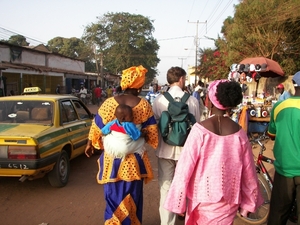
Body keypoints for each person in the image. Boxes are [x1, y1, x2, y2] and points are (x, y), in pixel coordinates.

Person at [163, 79, 263, 224]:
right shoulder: (239, 133)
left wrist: (178, 202)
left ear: (209, 100)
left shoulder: (200, 130)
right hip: (229, 198)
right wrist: (249, 201)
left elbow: (184, 169)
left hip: (201, 197)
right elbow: (249, 171)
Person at [84, 65, 158, 224]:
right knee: (133, 195)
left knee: (112, 196)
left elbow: (96, 127)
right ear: (138, 87)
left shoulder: (108, 103)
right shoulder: (143, 105)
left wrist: (90, 144)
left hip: (112, 161)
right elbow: (152, 132)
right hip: (134, 162)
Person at [152, 66, 201, 225]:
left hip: (164, 150)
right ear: (180, 79)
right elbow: (197, 126)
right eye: (184, 79)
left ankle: (167, 223)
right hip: (186, 152)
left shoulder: (159, 100)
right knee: (186, 187)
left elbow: (154, 124)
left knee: (166, 188)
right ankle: (184, 214)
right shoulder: (192, 100)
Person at [267, 71, 300, 225]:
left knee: (277, 217)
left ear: (293, 86)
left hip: (284, 170)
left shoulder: (280, 106)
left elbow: (272, 134)